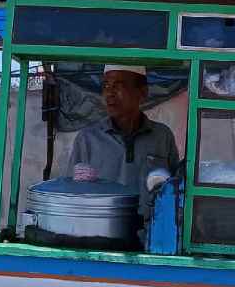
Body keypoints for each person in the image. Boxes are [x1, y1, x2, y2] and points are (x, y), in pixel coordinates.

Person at [69, 65, 179, 215]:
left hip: (151, 227)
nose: (109, 93)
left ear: (142, 92)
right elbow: (71, 193)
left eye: (118, 85)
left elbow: (175, 188)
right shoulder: (87, 139)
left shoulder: (162, 136)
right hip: (102, 226)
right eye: (106, 86)